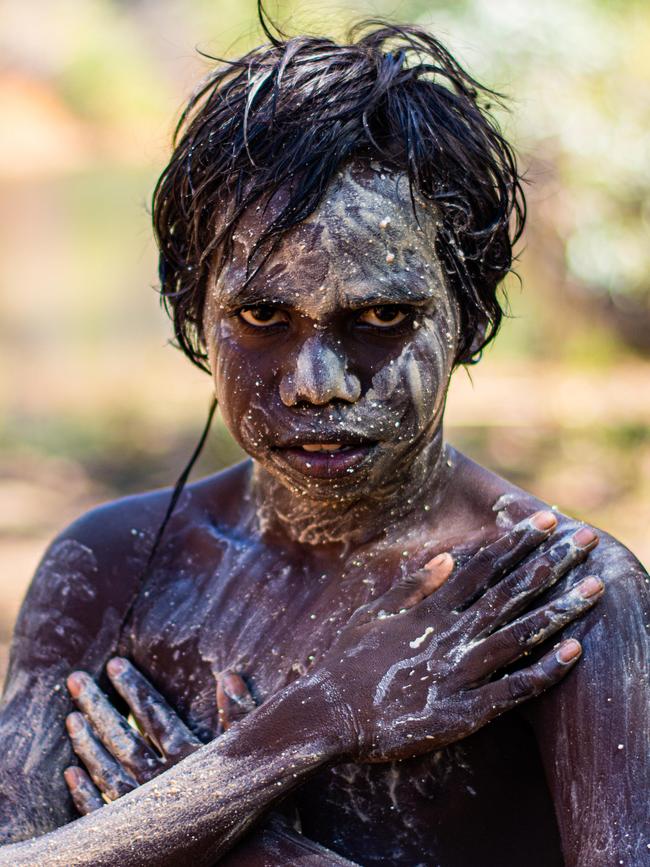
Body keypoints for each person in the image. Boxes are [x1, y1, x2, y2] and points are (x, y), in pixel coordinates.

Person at [0, 15, 648, 867]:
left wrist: (245, 846)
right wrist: (316, 721)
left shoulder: (552, 599)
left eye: (382, 316)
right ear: (195, 314)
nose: (317, 381)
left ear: (469, 315)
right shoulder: (112, 568)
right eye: (263, 316)